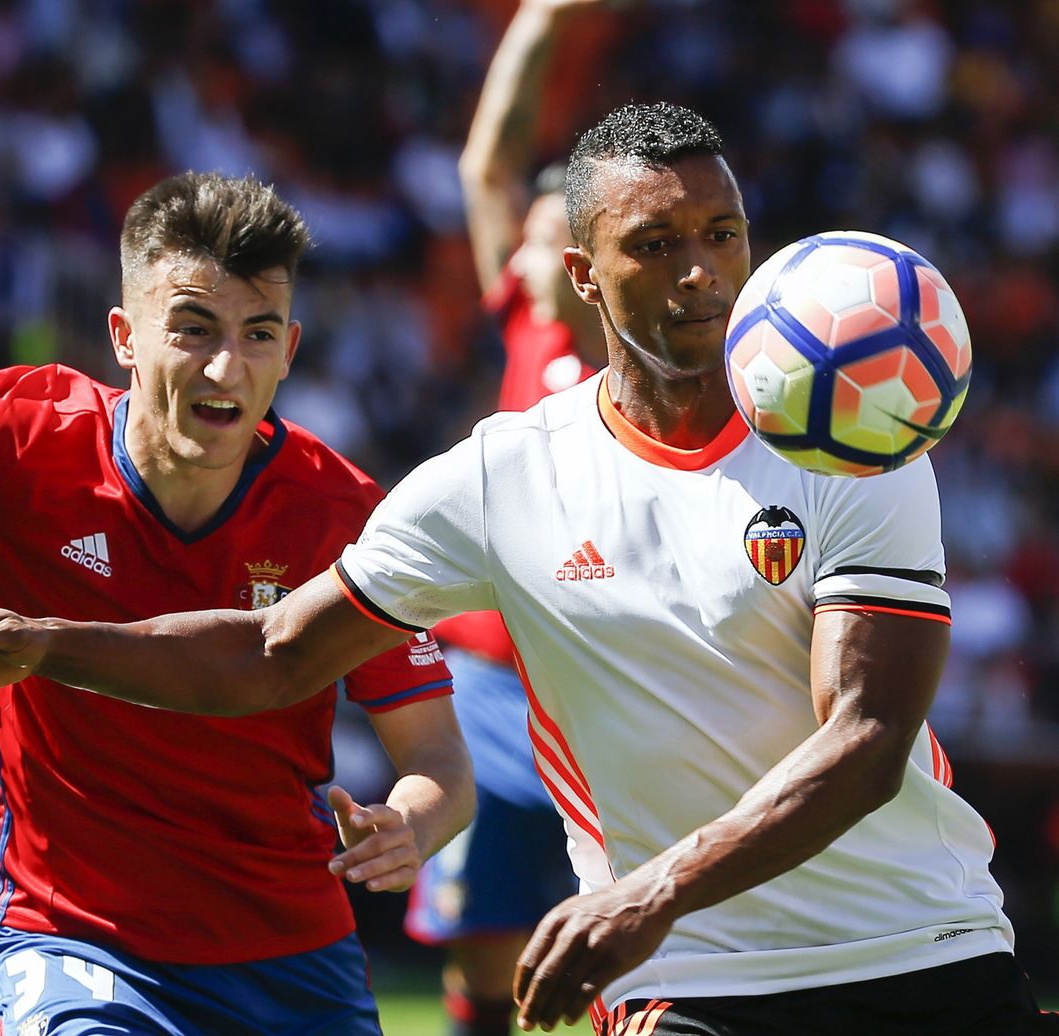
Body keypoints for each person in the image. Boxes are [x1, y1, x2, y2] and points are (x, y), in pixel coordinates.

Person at [0, 104, 1059, 1034]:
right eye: (654, 244)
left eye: (721, 235)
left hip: (926, 947)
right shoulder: (504, 476)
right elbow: (270, 654)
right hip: (695, 981)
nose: (701, 272)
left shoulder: (855, 434)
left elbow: (862, 739)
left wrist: (646, 889)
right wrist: (44, 643)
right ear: (581, 277)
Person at [0, 172, 474, 1036]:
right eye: (192, 329)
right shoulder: (15, 430)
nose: (227, 366)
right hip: (72, 938)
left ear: (290, 349)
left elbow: (439, 760)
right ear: (124, 337)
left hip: (290, 951)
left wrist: (407, 824)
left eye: (258, 334)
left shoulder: (344, 512)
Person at [408, 3, 604, 1034]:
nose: (518, 259)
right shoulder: (528, 331)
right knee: (487, 964)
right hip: (484, 686)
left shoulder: (654, 374)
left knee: (621, 953)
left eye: (540, 242)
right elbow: (488, 161)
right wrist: (543, 17)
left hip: (597, 689)